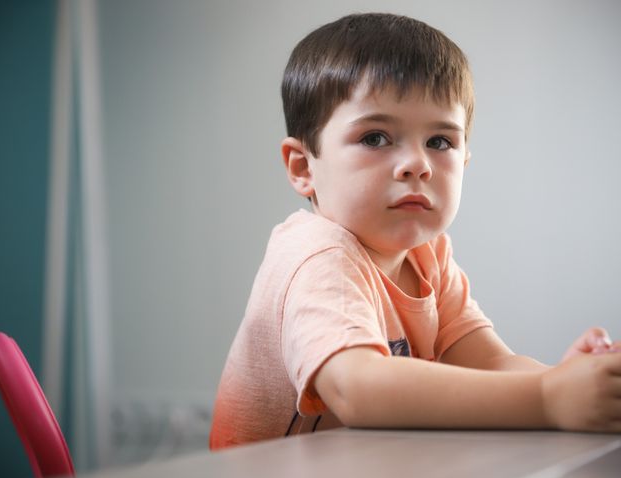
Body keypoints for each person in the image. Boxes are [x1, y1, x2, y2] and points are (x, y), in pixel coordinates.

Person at [209, 12, 621, 450]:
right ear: (303, 167)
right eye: (375, 138)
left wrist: (573, 383)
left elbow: (490, 362)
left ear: (464, 160)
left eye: (439, 142)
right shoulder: (317, 255)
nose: (417, 164)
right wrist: (547, 399)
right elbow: (359, 389)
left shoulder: (429, 256)